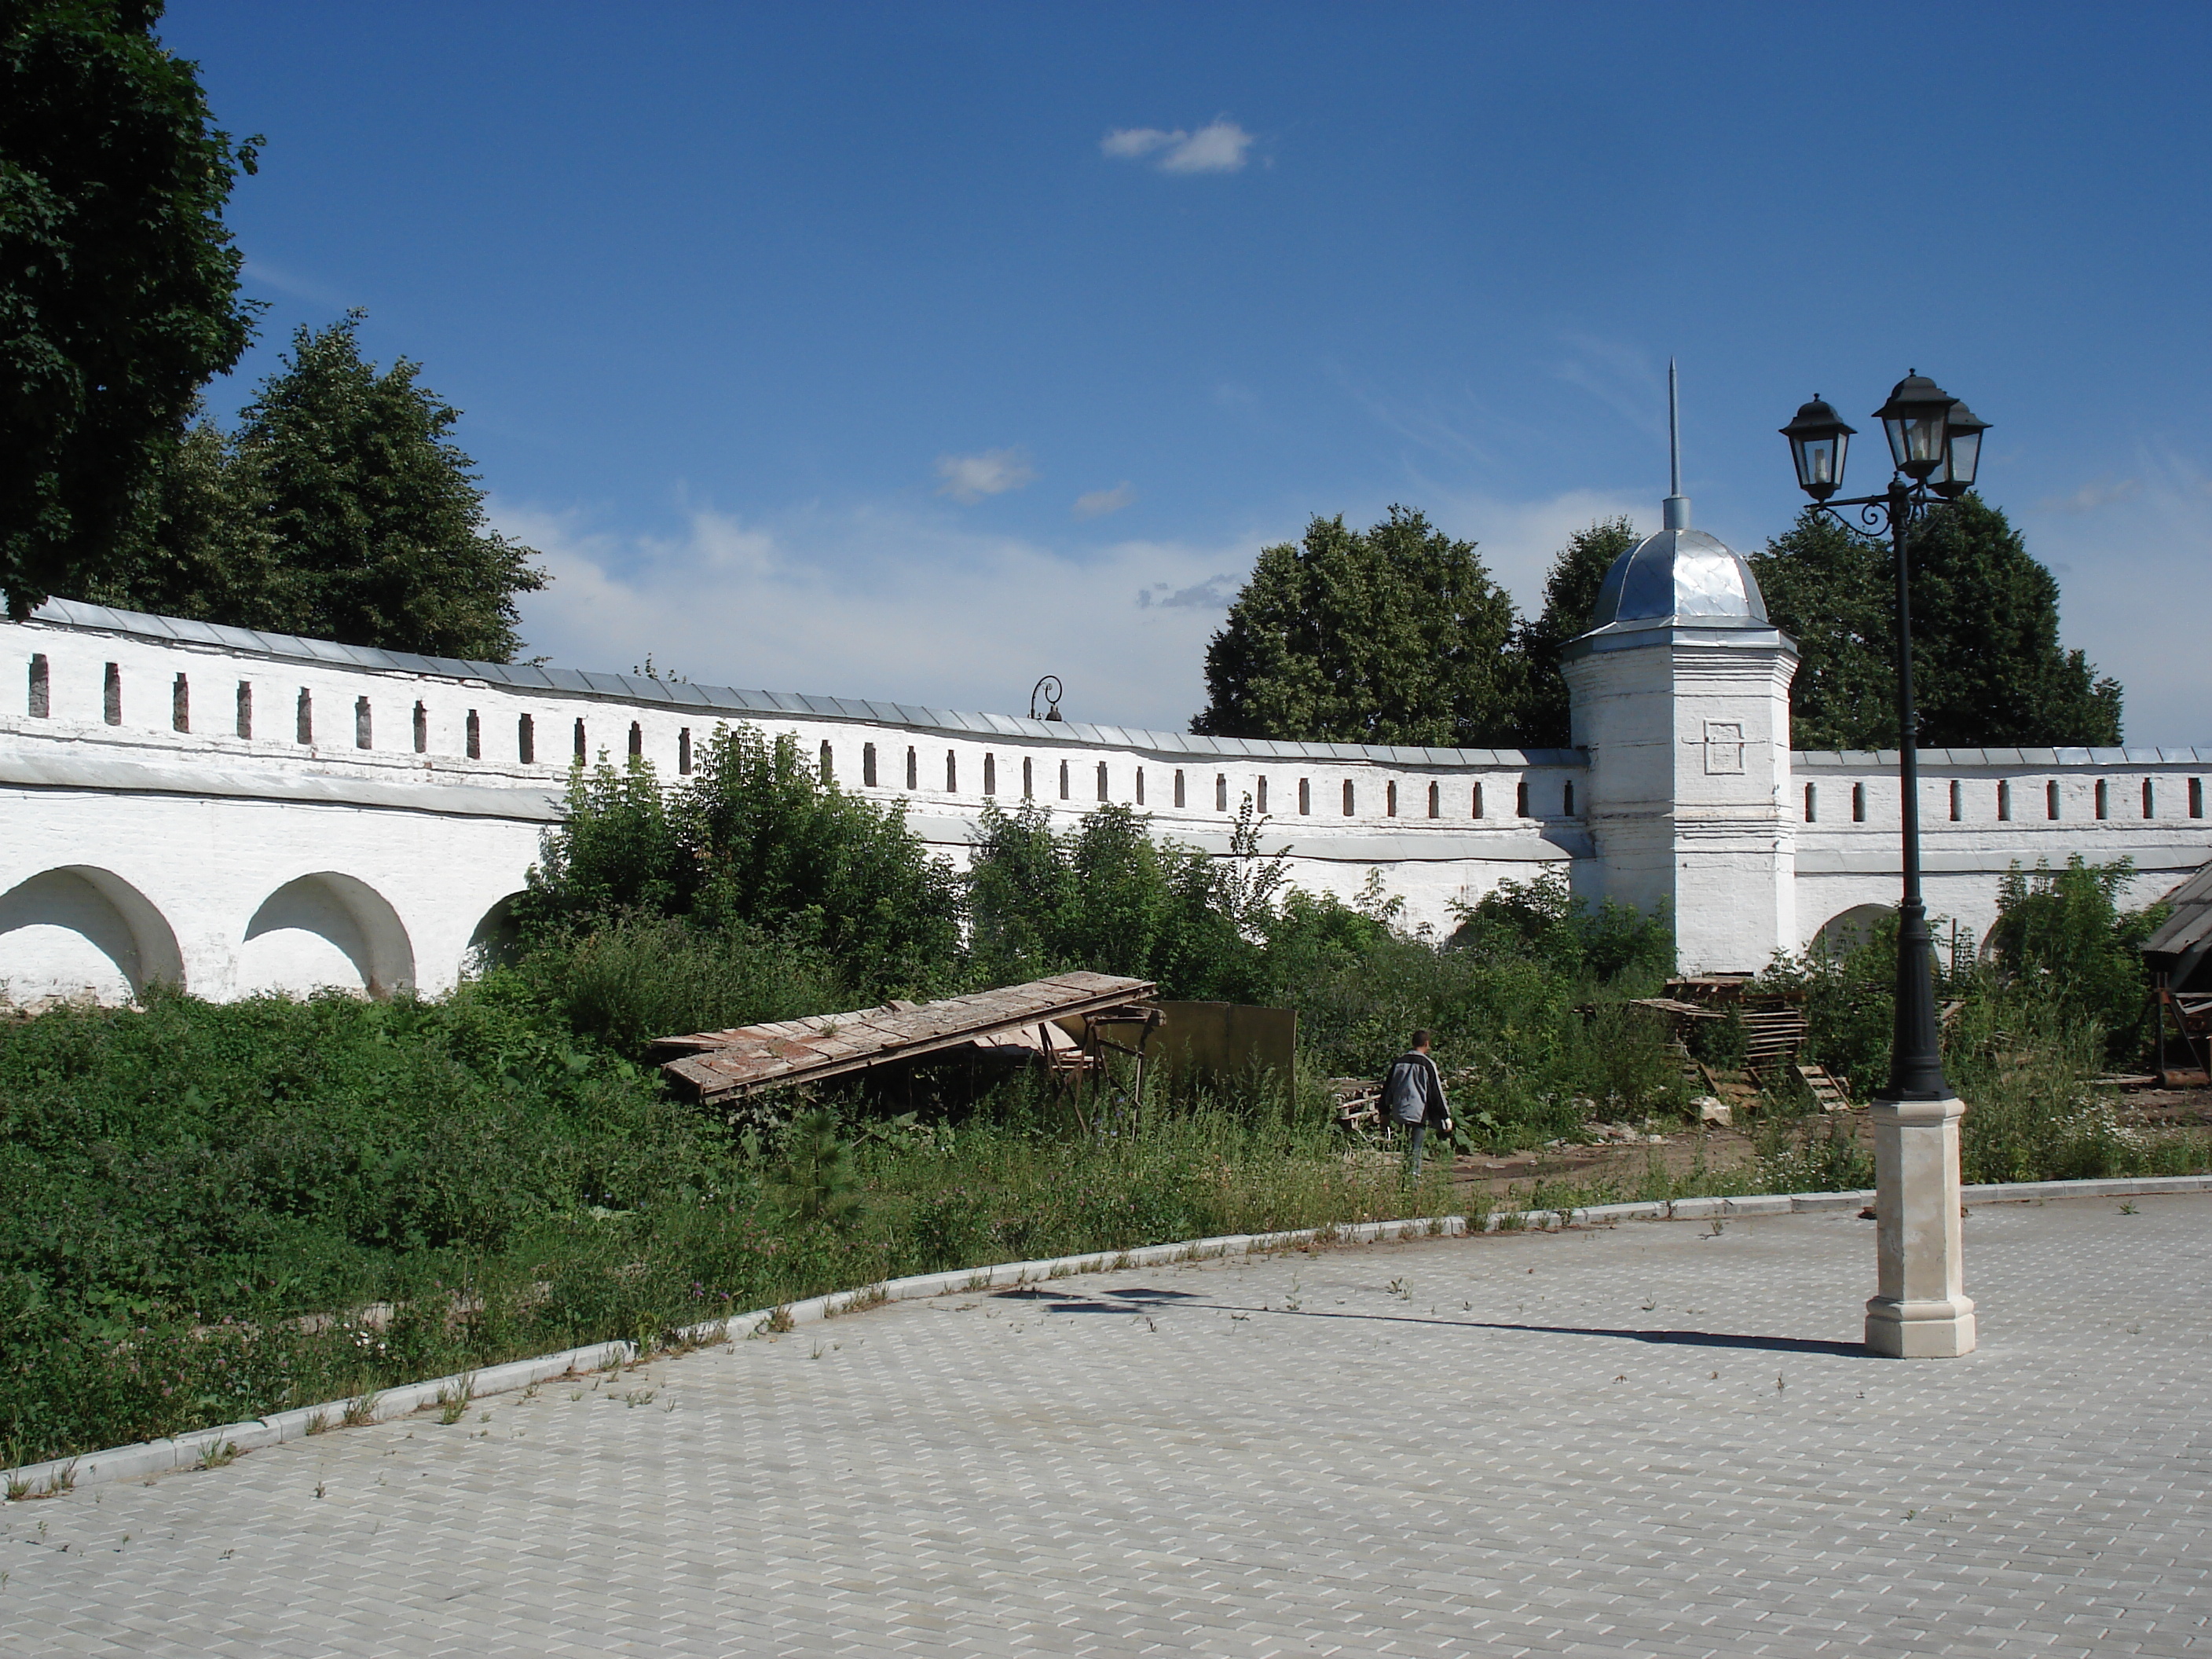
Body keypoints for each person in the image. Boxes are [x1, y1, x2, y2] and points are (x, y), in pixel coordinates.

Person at [1382, 1030, 1452, 1180]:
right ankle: (1412, 1182)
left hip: (1399, 1113)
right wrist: (1444, 1117)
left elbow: (1388, 1089)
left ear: (1412, 1043)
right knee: (1416, 1149)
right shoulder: (1427, 1064)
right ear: (1427, 1044)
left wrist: (1384, 1112)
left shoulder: (1398, 1063)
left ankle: (1405, 1177)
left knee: (1406, 1148)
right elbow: (1436, 1093)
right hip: (1418, 1113)